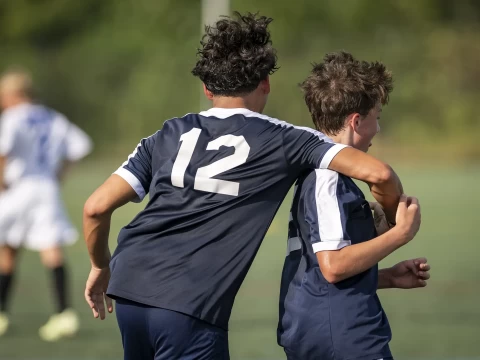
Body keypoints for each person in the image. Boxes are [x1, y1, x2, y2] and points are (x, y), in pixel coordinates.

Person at [83, 13, 404, 360]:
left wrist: (101, 265)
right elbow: (380, 174)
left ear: (207, 89)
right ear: (266, 83)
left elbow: (96, 207)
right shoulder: (286, 139)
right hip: (189, 304)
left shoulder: (166, 133)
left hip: (129, 289)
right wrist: (394, 220)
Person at [277, 51, 428, 360]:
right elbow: (334, 266)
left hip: (319, 329)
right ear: (356, 121)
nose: (378, 129)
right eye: (377, 118)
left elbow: (318, 273)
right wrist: (399, 235)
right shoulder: (326, 177)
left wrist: (385, 277)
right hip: (344, 337)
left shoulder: (322, 175)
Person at [0, 68, 92, 341]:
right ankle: (64, 315)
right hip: (46, 188)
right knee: (52, 250)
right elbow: (80, 145)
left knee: (7, 250)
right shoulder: (52, 116)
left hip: (18, 188)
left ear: (15, 94)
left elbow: (3, 151)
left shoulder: (12, 117)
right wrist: (58, 174)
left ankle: (2, 314)